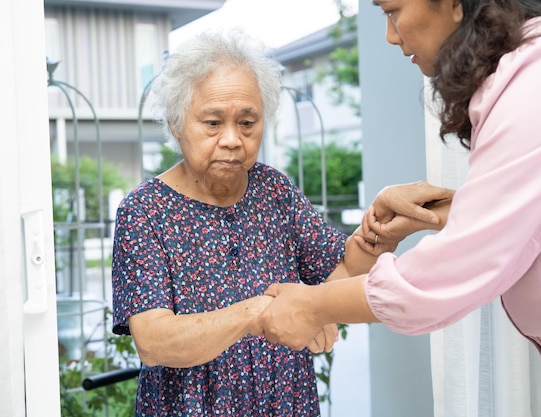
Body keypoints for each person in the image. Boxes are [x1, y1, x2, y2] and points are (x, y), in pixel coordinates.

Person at [255, 0, 541, 416]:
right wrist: (445, 211)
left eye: (392, 11)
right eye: (212, 122)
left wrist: (312, 305)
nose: (391, 36)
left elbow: (457, 268)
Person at [110, 28, 421, 416]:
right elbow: (154, 341)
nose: (232, 140)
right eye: (212, 123)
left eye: (247, 123)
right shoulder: (144, 210)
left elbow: (339, 273)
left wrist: (383, 230)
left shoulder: (274, 189)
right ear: (176, 124)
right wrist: (258, 312)